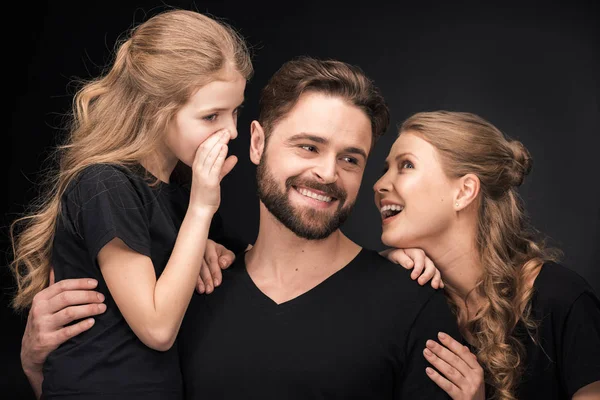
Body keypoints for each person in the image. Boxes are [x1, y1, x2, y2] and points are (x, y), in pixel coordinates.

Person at [17, 57, 460, 399]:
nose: (328, 173)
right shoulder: (184, 287)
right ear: (257, 142)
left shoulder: (414, 304)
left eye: (350, 159)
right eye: (309, 147)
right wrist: (38, 367)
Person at [9, 9, 252, 399]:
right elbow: (157, 329)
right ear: (155, 111)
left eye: (235, 110)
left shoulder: (178, 187)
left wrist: (205, 241)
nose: (232, 131)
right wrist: (201, 212)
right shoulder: (105, 183)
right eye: (211, 116)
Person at [375, 111, 600, 400]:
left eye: (406, 165)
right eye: (385, 168)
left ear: (464, 191)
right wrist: (378, 276)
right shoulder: (414, 300)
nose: (378, 184)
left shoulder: (564, 301)